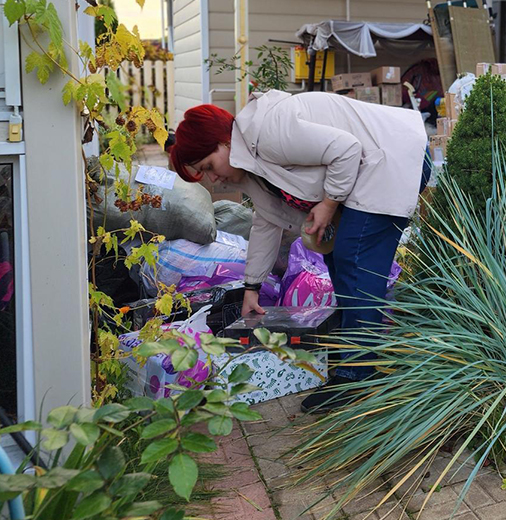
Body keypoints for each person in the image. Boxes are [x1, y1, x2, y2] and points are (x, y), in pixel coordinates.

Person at [168, 89, 429, 412]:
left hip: (393, 157)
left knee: (354, 259)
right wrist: (252, 287)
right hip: (369, 170)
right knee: (339, 263)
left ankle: (357, 378)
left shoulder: (269, 132)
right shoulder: (249, 169)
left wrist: (329, 202)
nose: (213, 178)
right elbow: (265, 222)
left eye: (208, 165)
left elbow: (346, 150)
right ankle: (354, 365)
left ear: (224, 142)